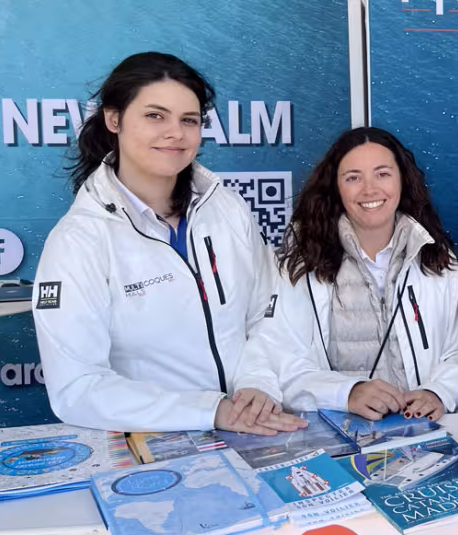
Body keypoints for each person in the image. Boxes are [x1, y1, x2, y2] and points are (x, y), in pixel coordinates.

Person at [33, 52, 304, 435]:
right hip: (153, 444)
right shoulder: (79, 240)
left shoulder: (226, 207)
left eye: (189, 120)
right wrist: (211, 411)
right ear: (114, 119)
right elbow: (77, 388)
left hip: (253, 427)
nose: (175, 132)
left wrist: (257, 382)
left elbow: (267, 312)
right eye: (155, 116)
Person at [233, 127, 458, 422]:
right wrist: (347, 393)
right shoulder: (300, 263)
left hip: (422, 428)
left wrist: (438, 393)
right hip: (337, 431)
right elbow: (280, 360)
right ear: (336, 187)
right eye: (353, 178)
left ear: (403, 179)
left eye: (382, 174)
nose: (370, 190)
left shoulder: (436, 257)